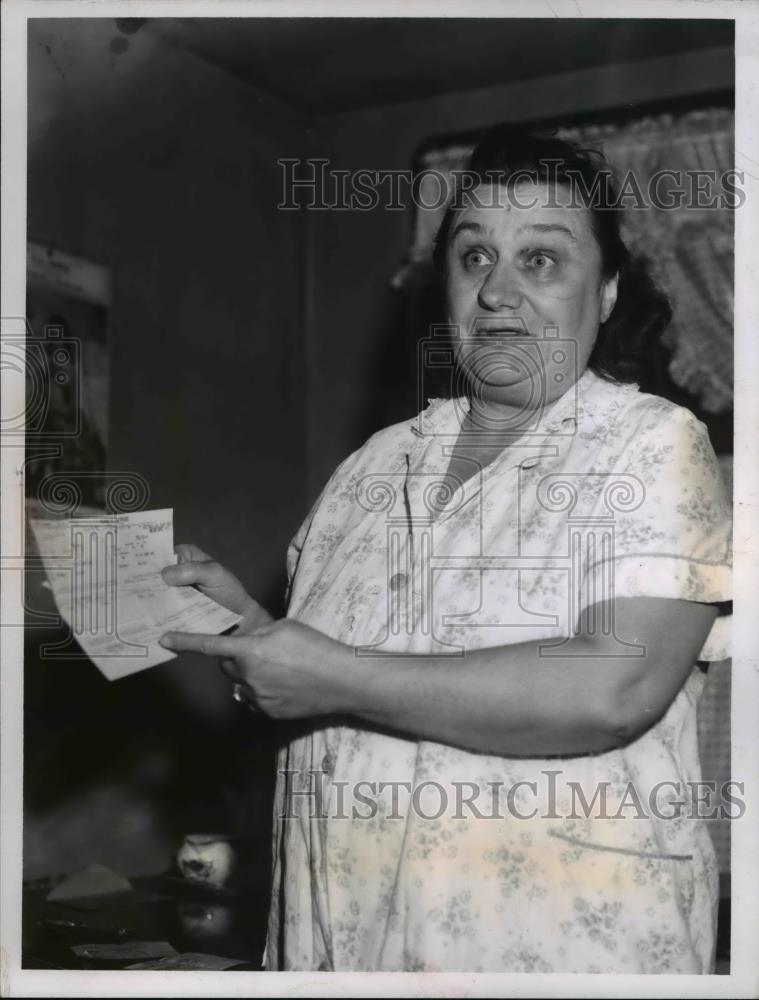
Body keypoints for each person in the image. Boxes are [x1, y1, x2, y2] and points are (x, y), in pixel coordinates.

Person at [159, 126, 732, 974]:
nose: (498, 292)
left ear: (606, 290)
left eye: (540, 260)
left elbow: (615, 687)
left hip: (551, 947)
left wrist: (333, 673)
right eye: (473, 258)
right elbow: (331, 671)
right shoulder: (370, 467)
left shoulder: (649, 445)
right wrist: (252, 634)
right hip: (343, 937)